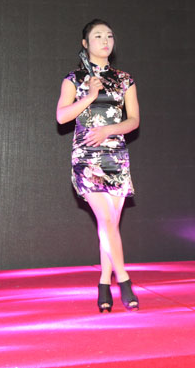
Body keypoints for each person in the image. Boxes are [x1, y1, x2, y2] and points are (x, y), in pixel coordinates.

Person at [56, 19, 140, 312]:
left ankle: (104, 282)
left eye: (109, 36)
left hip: (115, 156)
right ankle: (124, 280)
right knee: (105, 220)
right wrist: (90, 95)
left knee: (110, 225)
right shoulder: (74, 79)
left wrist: (109, 130)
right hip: (87, 157)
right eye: (98, 36)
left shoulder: (124, 79)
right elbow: (62, 117)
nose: (105, 41)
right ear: (85, 43)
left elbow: (133, 120)